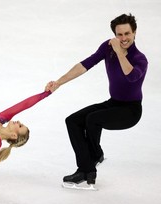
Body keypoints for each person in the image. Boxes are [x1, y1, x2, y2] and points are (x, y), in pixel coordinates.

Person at [46, 13, 148, 188]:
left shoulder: (140, 59)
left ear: (134, 33)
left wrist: (119, 52)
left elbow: (131, 76)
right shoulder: (107, 48)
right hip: (113, 103)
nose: (123, 38)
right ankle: (90, 162)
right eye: (119, 34)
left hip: (131, 111)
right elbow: (85, 64)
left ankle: (88, 168)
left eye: (127, 34)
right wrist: (59, 82)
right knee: (73, 121)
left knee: (93, 119)